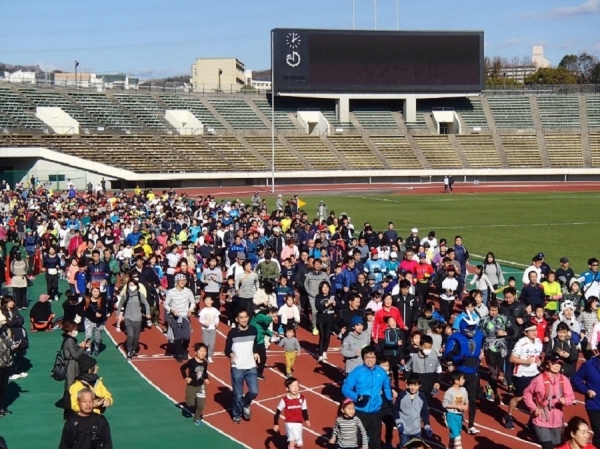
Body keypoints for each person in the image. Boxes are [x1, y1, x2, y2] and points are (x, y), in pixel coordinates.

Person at [341, 345, 393, 449]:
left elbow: (387, 387)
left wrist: (389, 399)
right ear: (363, 358)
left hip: (375, 413)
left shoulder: (381, 372)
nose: (370, 360)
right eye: (367, 357)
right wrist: (357, 397)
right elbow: (345, 388)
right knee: (356, 442)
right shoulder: (357, 372)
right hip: (360, 413)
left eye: (372, 357)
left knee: (375, 442)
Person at [522, 354, 575, 449]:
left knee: (557, 445)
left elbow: (571, 397)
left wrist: (565, 401)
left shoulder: (564, 380)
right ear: (547, 365)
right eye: (554, 363)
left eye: (559, 364)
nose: (557, 366)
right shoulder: (539, 380)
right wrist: (534, 408)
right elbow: (527, 393)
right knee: (548, 446)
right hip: (541, 419)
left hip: (557, 420)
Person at [442, 314, 483, 435]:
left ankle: (471, 425)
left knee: (472, 400)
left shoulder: (479, 334)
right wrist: (458, 357)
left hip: (473, 371)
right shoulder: (456, 338)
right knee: (457, 398)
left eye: (473, 326)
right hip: (460, 373)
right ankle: (448, 414)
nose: (472, 329)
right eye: (469, 326)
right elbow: (446, 355)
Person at [503, 323, 543, 430]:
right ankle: (509, 416)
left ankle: (531, 421)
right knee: (519, 397)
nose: (534, 332)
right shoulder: (521, 343)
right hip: (521, 374)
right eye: (531, 330)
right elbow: (512, 359)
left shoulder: (539, 342)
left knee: (537, 399)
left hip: (534, 374)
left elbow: (538, 356)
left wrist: (539, 361)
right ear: (525, 332)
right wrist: (525, 361)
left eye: (535, 330)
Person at [225, 308, 260, 424]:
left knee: (254, 391)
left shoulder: (253, 330)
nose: (244, 320)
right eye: (241, 317)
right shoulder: (232, 333)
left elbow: (256, 344)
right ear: (237, 319)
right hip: (237, 367)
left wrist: (255, 352)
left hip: (251, 366)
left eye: (246, 317)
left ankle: (245, 403)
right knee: (238, 394)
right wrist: (230, 354)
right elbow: (227, 349)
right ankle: (236, 415)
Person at [572, 342, 600, 448]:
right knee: (599, 432)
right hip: (594, 405)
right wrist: (586, 390)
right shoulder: (589, 365)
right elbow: (576, 378)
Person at [116, 277, 151, 360]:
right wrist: (118, 315)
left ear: (136, 286)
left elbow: (146, 304)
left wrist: (148, 313)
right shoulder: (126, 295)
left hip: (138, 318)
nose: (132, 286)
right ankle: (129, 351)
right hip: (128, 317)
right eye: (130, 285)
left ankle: (134, 349)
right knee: (130, 335)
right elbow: (120, 305)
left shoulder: (140, 295)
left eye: (133, 285)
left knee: (136, 336)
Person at [394, 373, 433, 447]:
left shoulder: (422, 396)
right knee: (404, 446)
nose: (413, 387)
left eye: (415, 385)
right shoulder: (402, 395)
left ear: (419, 385)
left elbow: (425, 412)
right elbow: (396, 409)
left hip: (416, 430)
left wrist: (427, 425)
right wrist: (398, 422)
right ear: (407, 385)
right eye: (411, 385)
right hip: (404, 429)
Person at [163, 273, 196, 362]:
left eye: (184, 281)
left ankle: (184, 349)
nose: (182, 282)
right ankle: (179, 354)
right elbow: (165, 304)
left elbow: (193, 303)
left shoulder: (188, 291)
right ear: (176, 282)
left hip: (185, 316)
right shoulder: (171, 292)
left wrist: (190, 309)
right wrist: (171, 310)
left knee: (186, 337)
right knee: (177, 337)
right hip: (175, 317)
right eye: (180, 281)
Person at [273, 377, 310, 449]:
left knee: (299, 444)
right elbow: (277, 412)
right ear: (287, 389)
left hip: (298, 423)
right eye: (292, 386)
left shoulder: (302, 398)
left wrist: (306, 419)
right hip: (289, 423)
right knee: (292, 442)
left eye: (297, 386)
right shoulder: (285, 400)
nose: (295, 388)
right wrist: (276, 423)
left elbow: (304, 409)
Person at [61, 320, 87, 419]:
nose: (76, 331)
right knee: (70, 387)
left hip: (71, 365)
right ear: (70, 330)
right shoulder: (70, 341)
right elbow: (75, 355)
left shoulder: (67, 339)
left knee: (69, 387)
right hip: (71, 366)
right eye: (75, 329)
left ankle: (68, 410)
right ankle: (69, 411)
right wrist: (82, 348)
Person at [180, 342, 210, 426]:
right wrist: (186, 377)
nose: (203, 353)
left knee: (201, 405)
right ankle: (193, 402)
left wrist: (206, 378)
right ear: (196, 352)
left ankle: (196, 418)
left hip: (201, 386)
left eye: (205, 351)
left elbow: (204, 372)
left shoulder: (205, 363)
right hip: (191, 386)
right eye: (201, 351)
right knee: (190, 404)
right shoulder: (191, 362)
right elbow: (182, 368)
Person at [442, 370, 468, 449]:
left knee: (453, 435)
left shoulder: (463, 390)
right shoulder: (449, 392)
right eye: (462, 378)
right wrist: (456, 407)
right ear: (456, 381)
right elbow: (444, 404)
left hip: (459, 416)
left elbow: (466, 401)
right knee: (457, 436)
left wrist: (465, 406)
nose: (464, 380)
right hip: (451, 416)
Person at [315, 281, 337, 362]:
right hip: (321, 318)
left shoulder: (332, 296)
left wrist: (334, 304)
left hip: (330, 318)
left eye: (327, 287)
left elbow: (337, 307)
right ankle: (320, 354)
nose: (325, 289)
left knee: (327, 336)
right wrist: (327, 304)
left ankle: (324, 352)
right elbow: (318, 307)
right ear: (321, 288)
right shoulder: (318, 297)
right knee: (322, 336)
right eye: (324, 287)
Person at [83, 287, 107, 357]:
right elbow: (80, 307)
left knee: (97, 337)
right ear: (91, 292)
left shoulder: (102, 300)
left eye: (97, 292)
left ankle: (96, 348)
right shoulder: (87, 299)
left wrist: (101, 313)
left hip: (99, 322)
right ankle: (88, 349)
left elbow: (104, 309)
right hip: (89, 319)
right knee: (88, 335)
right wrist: (80, 315)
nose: (96, 293)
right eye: (94, 291)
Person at [198, 295, 220, 363]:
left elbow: (217, 318)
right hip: (205, 329)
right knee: (206, 343)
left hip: (213, 329)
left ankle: (209, 356)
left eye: (209, 300)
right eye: (206, 300)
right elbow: (200, 319)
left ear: (212, 301)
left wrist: (216, 323)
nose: (207, 302)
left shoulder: (215, 310)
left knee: (212, 343)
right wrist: (204, 323)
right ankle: (205, 355)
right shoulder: (203, 310)